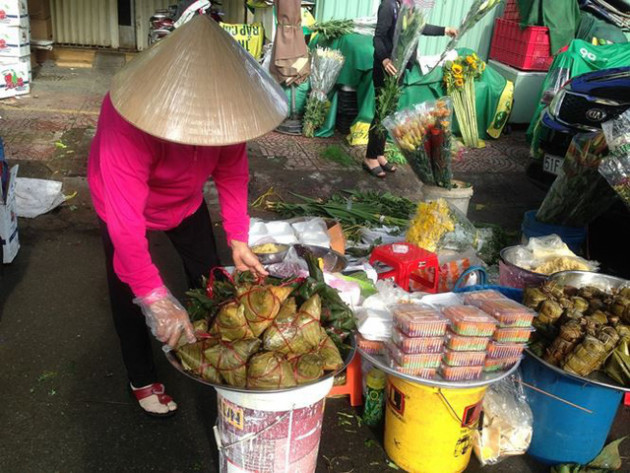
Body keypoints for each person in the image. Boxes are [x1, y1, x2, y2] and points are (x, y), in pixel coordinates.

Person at [87, 15, 288, 417]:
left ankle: (217, 351)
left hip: (186, 202)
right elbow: (126, 224)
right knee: (130, 292)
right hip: (124, 204)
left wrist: (237, 237)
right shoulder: (127, 116)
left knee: (210, 277)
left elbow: (233, 171)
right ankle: (141, 377)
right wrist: (154, 295)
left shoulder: (228, 109)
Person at [364, 0, 458, 178]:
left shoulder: (407, 5)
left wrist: (444, 30)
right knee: (381, 111)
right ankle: (370, 157)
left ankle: (379, 154)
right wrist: (384, 59)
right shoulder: (388, 5)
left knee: (389, 113)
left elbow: (418, 27)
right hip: (387, 67)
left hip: (399, 67)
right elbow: (378, 37)